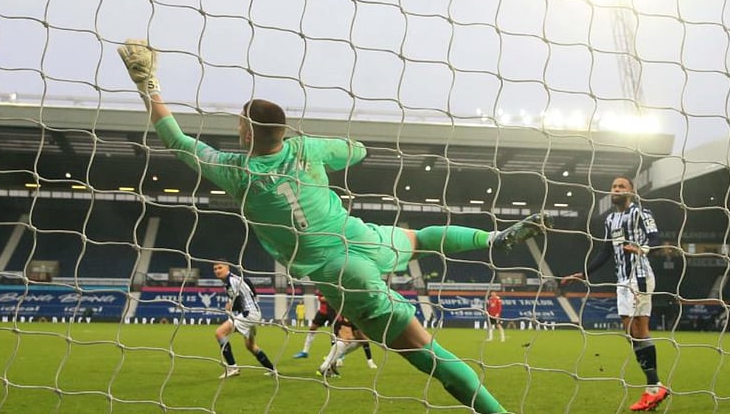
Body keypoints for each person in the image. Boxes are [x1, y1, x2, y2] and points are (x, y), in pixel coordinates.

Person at [117, 39, 550, 413]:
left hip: (341, 273)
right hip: (358, 236)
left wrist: (148, 84)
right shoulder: (306, 148)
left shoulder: (235, 170)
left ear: (247, 133)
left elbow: (176, 140)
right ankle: (493, 237)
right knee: (422, 238)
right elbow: (358, 150)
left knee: (426, 354)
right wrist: (322, 147)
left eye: (240, 123)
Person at [562, 175, 669, 412]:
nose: (616, 189)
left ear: (631, 192)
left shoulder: (641, 212)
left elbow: (655, 237)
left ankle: (654, 386)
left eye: (621, 186)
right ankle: (654, 386)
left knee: (635, 330)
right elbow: (606, 251)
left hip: (640, 276)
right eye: (613, 186)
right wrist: (584, 273)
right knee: (635, 332)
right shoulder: (610, 219)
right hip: (623, 280)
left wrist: (643, 249)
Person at [212, 260, 276, 378]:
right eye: (215, 269)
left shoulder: (231, 280)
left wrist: (231, 306)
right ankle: (272, 370)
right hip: (254, 313)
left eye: (220, 268)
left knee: (220, 333)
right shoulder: (234, 279)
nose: (217, 271)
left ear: (227, 268)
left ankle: (233, 367)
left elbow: (238, 299)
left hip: (248, 314)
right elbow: (249, 291)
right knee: (250, 346)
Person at [295, 291, 377, 367]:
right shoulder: (325, 285)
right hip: (328, 311)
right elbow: (320, 297)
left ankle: (368, 360)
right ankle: (306, 352)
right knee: (330, 333)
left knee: (360, 337)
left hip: (346, 311)